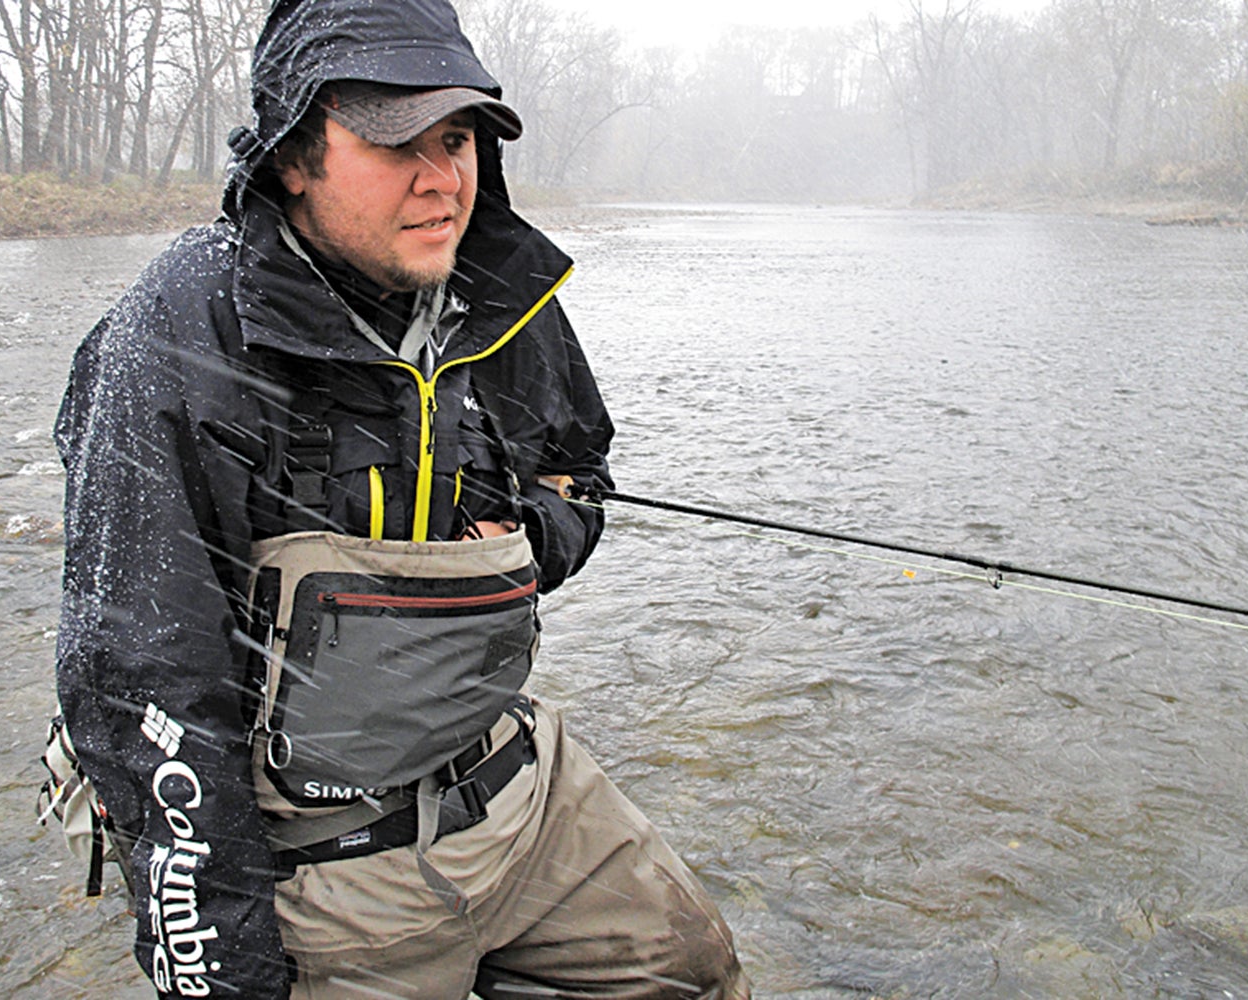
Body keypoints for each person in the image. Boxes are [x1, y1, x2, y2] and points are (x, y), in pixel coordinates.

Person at [53, 0, 749, 996]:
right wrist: (222, 966)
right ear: (293, 156)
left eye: (458, 137)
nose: (444, 179)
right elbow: (147, 692)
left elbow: (580, 474)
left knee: (691, 968)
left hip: (518, 783)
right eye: (396, 140)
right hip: (323, 869)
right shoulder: (178, 337)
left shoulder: (496, 301)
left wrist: (530, 536)